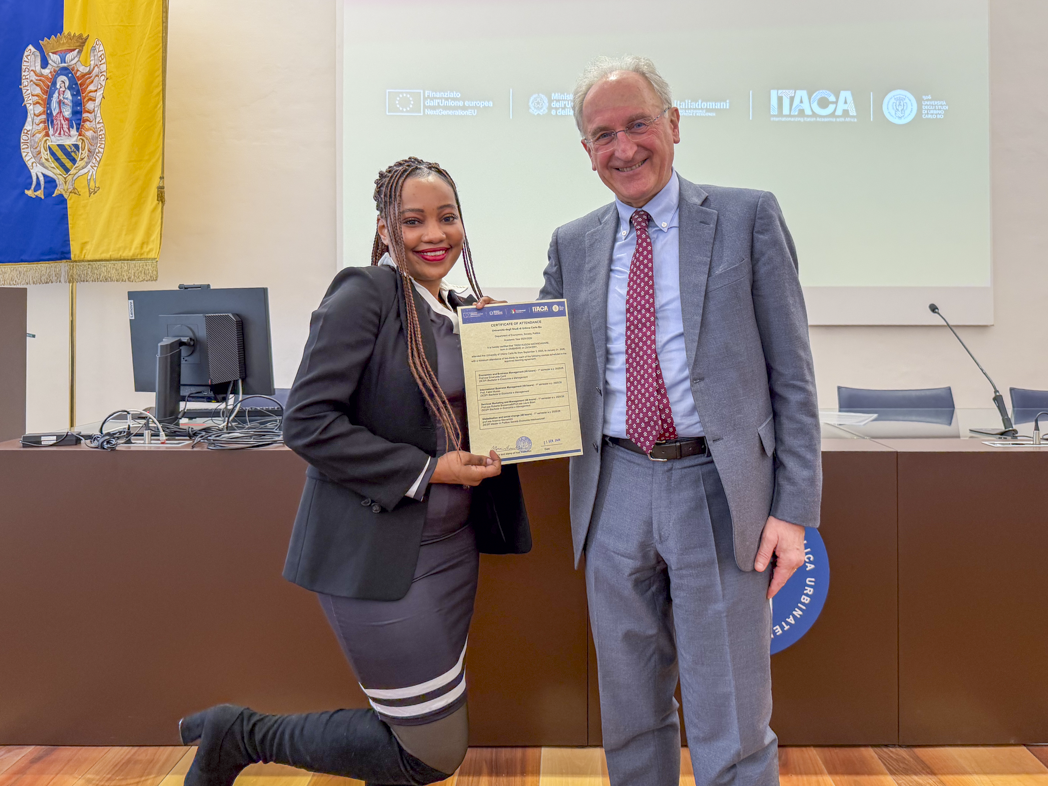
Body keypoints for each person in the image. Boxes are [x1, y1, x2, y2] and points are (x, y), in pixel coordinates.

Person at [178, 156, 530, 786]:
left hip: (454, 551)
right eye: (413, 221)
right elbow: (307, 421)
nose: (434, 234)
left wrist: (498, 343)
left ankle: (235, 734)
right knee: (432, 749)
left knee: (409, 729)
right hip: (381, 561)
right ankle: (239, 733)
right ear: (385, 229)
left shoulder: (453, 309)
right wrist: (430, 469)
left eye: (447, 217)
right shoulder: (364, 293)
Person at [539, 56, 822, 786]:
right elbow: (545, 361)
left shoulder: (747, 216)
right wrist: (489, 342)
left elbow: (792, 375)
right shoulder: (571, 243)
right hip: (612, 486)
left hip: (716, 488)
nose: (624, 148)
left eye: (638, 124)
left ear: (672, 123)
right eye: (604, 135)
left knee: (731, 716)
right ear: (586, 150)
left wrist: (794, 512)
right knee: (630, 709)